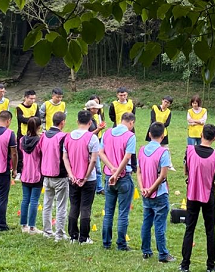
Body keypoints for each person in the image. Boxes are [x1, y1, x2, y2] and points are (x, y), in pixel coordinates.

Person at [179, 124, 215, 272]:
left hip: (192, 193)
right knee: (210, 230)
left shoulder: (189, 150)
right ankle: (210, 266)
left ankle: (185, 265)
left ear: (201, 134)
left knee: (189, 228)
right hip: (208, 195)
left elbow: (186, 170)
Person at [99, 111, 137, 250]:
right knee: (123, 213)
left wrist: (111, 169)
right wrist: (118, 172)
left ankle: (106, 242)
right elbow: (127, 157)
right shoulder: (130, 136)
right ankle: (121, 244)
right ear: (131, 122)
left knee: (108, 212)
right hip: (123, 177)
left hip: (109, 177)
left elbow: (100, 152)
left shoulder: (107, 133)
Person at [137, 122, 174, 263]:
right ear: (163, 136)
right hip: (159, 194)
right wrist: (151, 189)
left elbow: (138, 172)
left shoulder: (142, 150)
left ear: (149, 134)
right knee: (159, 224)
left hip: (145, 192)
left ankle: (146, 250)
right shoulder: (163, 152)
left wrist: (142, 188)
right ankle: (163, 254)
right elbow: (163, 175)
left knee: (146, 222)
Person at [62, 110, 101, 244]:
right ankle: (84, 238)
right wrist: (85, 177)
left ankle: (73, 236)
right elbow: (93, 160)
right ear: (90, 123)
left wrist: (71, 174)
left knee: (74, 206)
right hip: (88, 179)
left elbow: (65, 157)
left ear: (77, 121)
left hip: (73, 178)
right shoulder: (92, 138)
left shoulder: (68, 136)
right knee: (85, 207)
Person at [39, 112, 69, 240]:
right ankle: (59, 234)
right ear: (62, 122)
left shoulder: (44, 135)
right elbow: (66, 155)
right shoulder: (63, 137)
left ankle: (47, 231)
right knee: (61, 205)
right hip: (60, 175)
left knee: (47, 204)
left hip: (46, 174)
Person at [19, 117, 44, 234]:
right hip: (37, 174)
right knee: (34, 200)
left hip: (25, 174)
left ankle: (24, 225)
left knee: (25, 199)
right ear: (39, 127)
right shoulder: (39, 141)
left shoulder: (22, 140)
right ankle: (32, 227)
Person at [15, 90, 39, 182]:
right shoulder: (19, 107)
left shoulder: (35, 106)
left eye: (34, 99)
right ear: (25, 97)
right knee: (20, 153)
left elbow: (38, 119)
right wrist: (32, 119)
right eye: (30, 98)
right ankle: (19, 172)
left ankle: (31, 171)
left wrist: (30, 119)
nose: (32, 100)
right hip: (22, 133)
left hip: (33, 134)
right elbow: (21, 119)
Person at [85, 98, 106, 195]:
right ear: (91, 109)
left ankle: (97, 187)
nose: (98, 109)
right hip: (91, 147)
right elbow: (87, 135)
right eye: (96, 108)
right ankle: (99, 188)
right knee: (97, 167)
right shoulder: (87, 120)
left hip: (94, 144)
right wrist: (98, 129)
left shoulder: (93, 118)